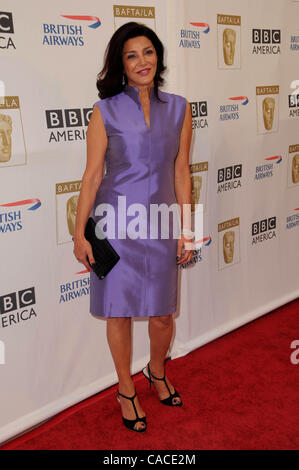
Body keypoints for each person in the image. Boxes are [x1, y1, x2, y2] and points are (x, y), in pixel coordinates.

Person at [73, 22, 193, 433]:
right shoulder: (104, 110)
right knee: (119, 313)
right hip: (115, 225)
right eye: (131, 55)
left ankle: (155, 371)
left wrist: (187, 227)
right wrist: (79, 233)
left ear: (158, 56)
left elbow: (181, 172)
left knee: (162, 314)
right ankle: (125, 388)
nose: (142, 61)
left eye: (148, 52)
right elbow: (91, 177)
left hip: (161, 224)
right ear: (120, 65)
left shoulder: (179, 107)